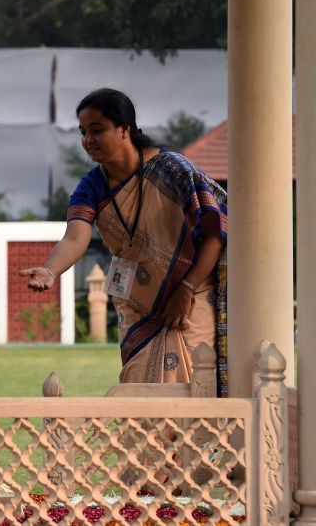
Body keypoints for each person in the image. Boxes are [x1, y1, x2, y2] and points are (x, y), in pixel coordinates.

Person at [20, 88, 229, 393]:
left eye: (97, 130)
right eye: (83, 132)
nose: (88, 140)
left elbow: (216, 231)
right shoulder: (91, 187)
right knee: (139, 393)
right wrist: (51, 270)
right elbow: (75, 237)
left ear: (124, 129)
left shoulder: (173, 171)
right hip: (138, 309)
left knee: (196, 390)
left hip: (191, 303)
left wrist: (186, 288)